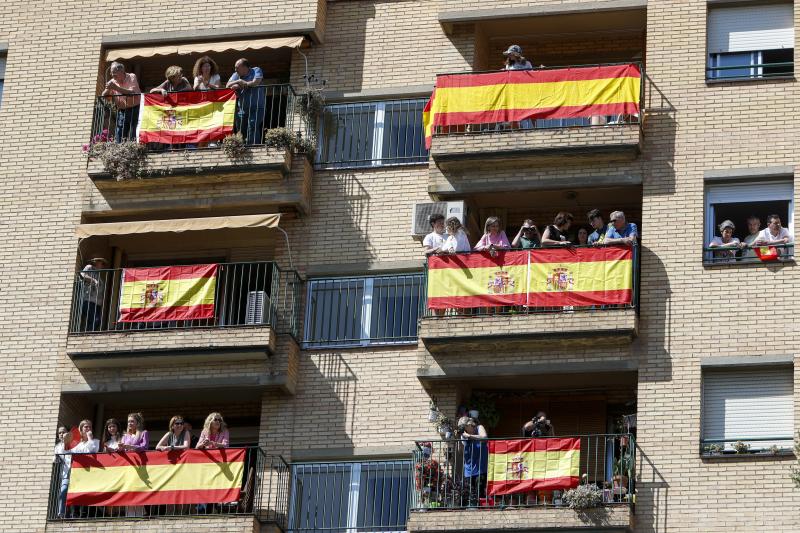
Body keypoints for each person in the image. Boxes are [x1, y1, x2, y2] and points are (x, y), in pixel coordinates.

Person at [56, 420, 100, 518]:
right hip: (75, 472)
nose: (88, 429)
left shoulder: (95, 441)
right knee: (69, 491)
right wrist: (66, 442)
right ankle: (69, 514)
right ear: (81, 429)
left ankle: (82, 514)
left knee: (84, 493)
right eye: (86, 427)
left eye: (90, 427)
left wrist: (90, 438)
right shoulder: (76, 443)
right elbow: (66, 454)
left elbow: (92, 450)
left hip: (88, 472)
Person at [227, 58, 265, 144]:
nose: (235, 69)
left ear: (244, 67)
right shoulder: (236, 75)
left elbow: (256, 82)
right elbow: (227, 85)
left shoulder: (256, 70)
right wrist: (238, 81)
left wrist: (243, 84)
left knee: (252, 125)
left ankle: (253, 147)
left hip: (257, 107)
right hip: (242, 108)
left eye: (237, 67)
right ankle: (242, 147)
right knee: (241, 130)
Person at [101, 62, 141, 142]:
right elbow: (103, 95)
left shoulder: (131, 77)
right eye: (111, 73)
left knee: (134, 131)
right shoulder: (113, 81)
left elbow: (132, 93)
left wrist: (116, 88)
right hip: (122, 111)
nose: (112, 75)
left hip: (136, 109)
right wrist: (107, 91)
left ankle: (134, 146)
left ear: (122, 71)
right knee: (120, 132)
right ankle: (120, 147)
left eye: (114, 72)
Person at [458, 416, 488, 507]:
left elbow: (484, 437)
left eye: (465, 427)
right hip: (469, 467)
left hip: (480, 467)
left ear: (470, 425)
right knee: (470, 492)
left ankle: (480, 509)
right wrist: (460, 439)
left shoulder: (479, 428)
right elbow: (461, 451)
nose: (465, 430)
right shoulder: (464, 435)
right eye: (463, 428)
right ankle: (471, 508)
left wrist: (470, 436)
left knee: (480, 490)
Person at [80, 257, 108, 332]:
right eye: (102, 263)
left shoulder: (99, 275)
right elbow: (83, 274)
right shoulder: (89, 267)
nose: (103, 266)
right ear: (96, 262)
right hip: (88, 300)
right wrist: (93, 280)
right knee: (96, 320)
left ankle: (88, 333)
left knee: (95, 321)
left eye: (104, 264)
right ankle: (88, 334)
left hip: (97, 303)